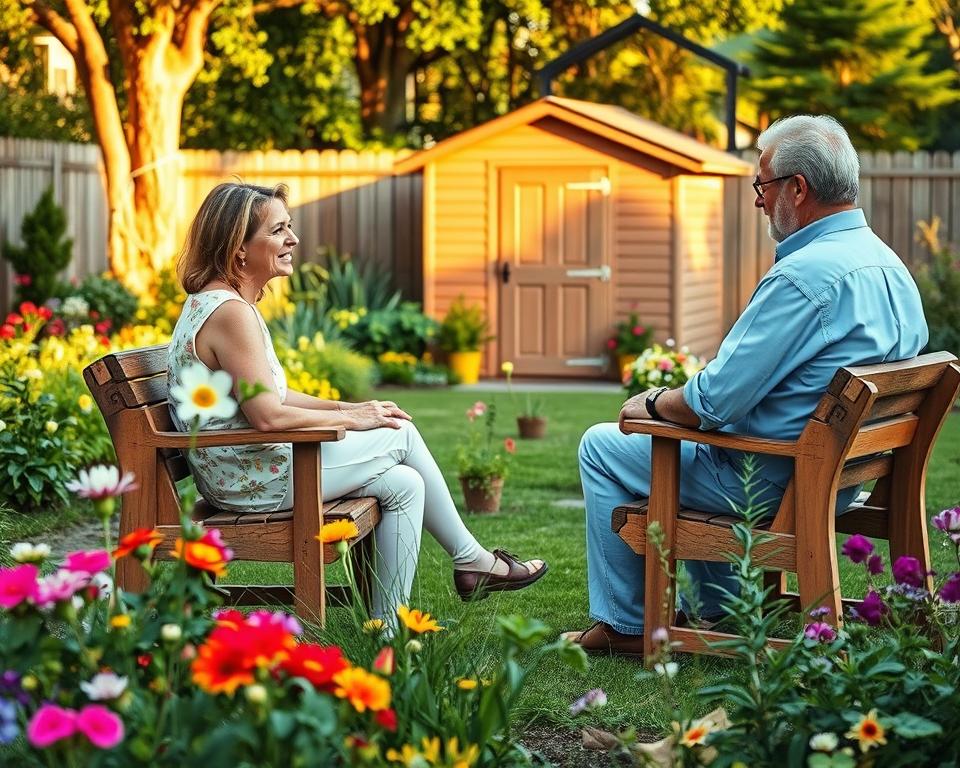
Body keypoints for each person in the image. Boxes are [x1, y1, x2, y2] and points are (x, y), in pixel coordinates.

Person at [564, 115, 929, 657]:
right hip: (845, 478)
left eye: (763, 185)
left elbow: (714, 399)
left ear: (797, 188)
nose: (759, 200)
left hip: (778, 484)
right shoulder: (889, 264)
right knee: (712, 443)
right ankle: (721, 608)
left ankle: (627, 625)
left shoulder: (803, 278)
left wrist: (654, 402)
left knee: (604, 445)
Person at [167, 182, 547, 623]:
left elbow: (275, 395)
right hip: (255, 479)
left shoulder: (219, 303)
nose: (293, 239)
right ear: (239, 249)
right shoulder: (231, 313)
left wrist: (348, 410)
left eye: (290, 226)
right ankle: (473, 561)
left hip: (247, 469)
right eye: (278, 230)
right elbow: (267, 415)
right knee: (401, 433)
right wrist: (357, 419)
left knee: (405, 484)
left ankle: (388, 630)